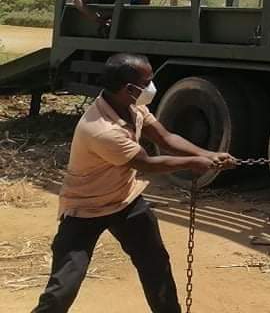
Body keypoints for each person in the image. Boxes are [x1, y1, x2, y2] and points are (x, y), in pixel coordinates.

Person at [33, 53, 236, 313]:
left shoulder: (132, 107)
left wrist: (208, 155)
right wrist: (194, 163)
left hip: (125, 201)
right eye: (147, 81)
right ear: (129, 89)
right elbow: (146, 163)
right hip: (86, 209)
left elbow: (166, 138)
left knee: (156, 265)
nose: (152, 86)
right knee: (63, 288)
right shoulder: (102, 129)